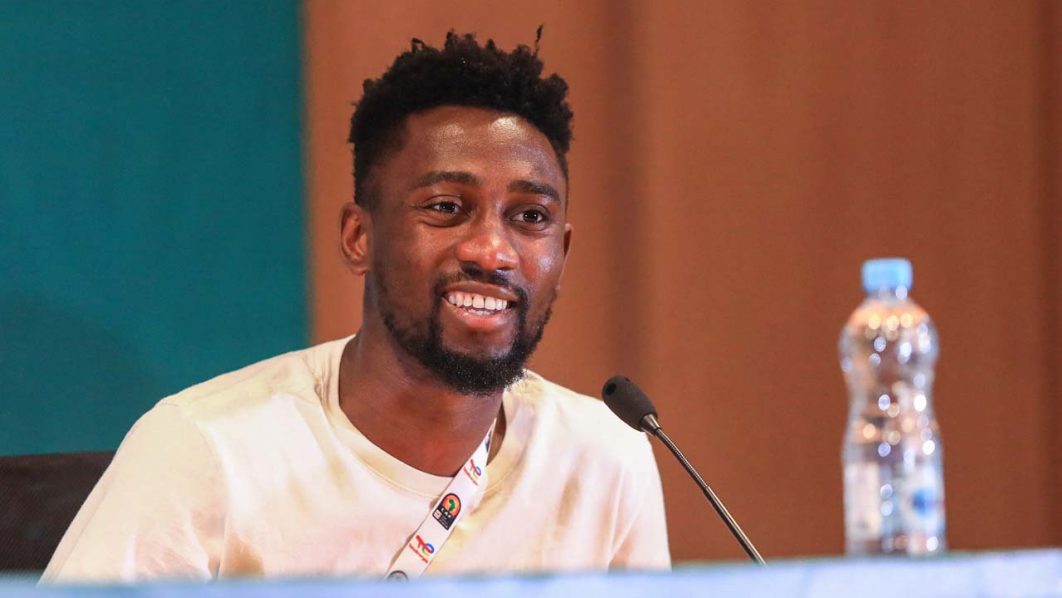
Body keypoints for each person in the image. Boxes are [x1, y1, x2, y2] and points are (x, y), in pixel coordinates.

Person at [42, 31, 670, 582]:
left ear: (562, 253)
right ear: (358, 237)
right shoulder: (205, 451)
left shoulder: (605, 458)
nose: (492, 250)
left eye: (530, 217)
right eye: (446, 208)